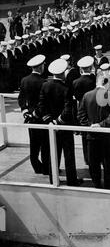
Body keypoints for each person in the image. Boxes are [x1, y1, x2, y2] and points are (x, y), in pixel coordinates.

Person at [37, 58, 81, 187]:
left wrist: (49, 121)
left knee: (53, 153)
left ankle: (53, 179)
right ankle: (72, 180)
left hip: (51, 126)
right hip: (64, 126)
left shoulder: (45, 85)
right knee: (68, 154)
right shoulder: (66, 87)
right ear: (63, 72)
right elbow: (68, 109)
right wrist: (57, 122)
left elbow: (41, 106)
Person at [78, 74, 110, 190]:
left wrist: (90, 126)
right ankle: (109, 184)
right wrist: (101, 125)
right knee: (108, 162)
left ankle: (96, 184)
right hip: (106, 135)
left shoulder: (86, 96)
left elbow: (80, 115)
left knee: (93, 162)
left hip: (91, 135)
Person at [18, 55, 49, 176]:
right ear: (41, 66)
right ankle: (46, 168)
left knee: (34, 143)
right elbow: (43, 102)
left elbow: (21, 98)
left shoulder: (24, 80)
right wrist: (36, 113)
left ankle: (36, 166)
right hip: (41, 117)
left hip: (30, 117)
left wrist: (25, 111)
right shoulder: (44, 82)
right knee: (45, 144)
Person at [73, 56, 97, 165]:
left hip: (81, 110)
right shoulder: (93, 79)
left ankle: (87, 158)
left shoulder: (76, 82)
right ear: (90, 67)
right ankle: (95, 158)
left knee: (84, 134)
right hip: (93, 108)